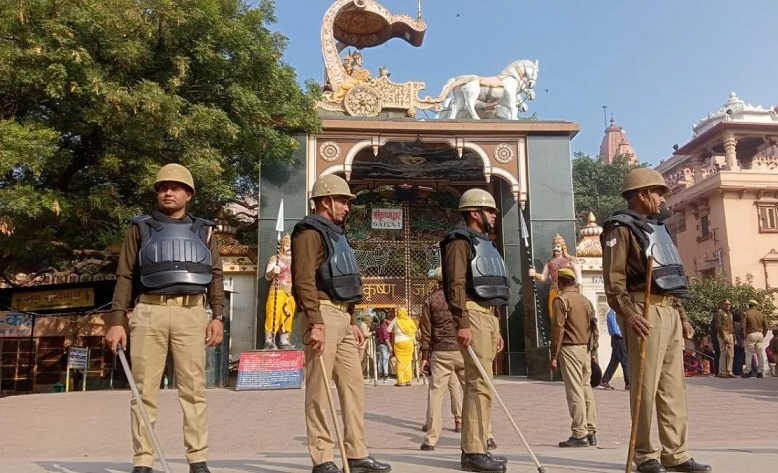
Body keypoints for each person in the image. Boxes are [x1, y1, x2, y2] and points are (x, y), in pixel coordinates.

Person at [104, 163, 225, 473]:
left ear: (189, 194)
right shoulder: (139, 228)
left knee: (194, 391)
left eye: (175, 187)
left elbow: (214, 275)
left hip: (191, 312)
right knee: (143, 390)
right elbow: (125, 276)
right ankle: (143, 461)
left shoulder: (205, 230)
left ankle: (198, 460)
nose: (167, 192)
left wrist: (217, 316)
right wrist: (117, 320)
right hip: (148, 311)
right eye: (162, 187)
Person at [601, 167, 711, 473]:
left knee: (673, 388)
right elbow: (614, 283)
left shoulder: (659, 228)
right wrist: (631, 315)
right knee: (644, 388)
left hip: (669, 310)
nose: (663, 199)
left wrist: (683, 315)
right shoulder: (619, 229)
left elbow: (671, 277)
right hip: (642, 308)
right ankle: (645, 455)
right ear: (641, 194)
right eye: (658, 192)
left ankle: (676, 453)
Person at [291, 174, 390, 473]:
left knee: (353, 387)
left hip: (343, 316)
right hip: (319, 311)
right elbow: (304, 280)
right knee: (319, 390)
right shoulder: (309, 232)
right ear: (326, 201)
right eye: (343, 201)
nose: (347, 207)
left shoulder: (337, 234)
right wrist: (315, 322)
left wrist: (354, 319)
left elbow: (344, 281)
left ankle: (357, 453)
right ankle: (322, 458)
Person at [441, 188, 508, 472]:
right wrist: (462, 322)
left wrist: (497, 327)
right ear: (474, 213)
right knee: (478, 384)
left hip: (488, 317)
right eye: (489, 210)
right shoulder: (460, 240)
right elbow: (454, 284)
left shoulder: (485, 243)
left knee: (485, 386)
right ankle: (472, 450)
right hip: (473, 316)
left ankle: (479, 445)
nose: (494, 215)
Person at [550, 268, 598, 448]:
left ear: (560, 282)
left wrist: (553, 355)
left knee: (575, 390)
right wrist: (593, 351)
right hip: (586, 348)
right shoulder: (585, 301)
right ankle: (591, 430)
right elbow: (594, 327)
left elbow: (558, 329)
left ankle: (579, 433)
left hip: (569, 348)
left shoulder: (561, 300)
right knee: (586, 389)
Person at [419, 267, 465, 451]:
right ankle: (486, 434)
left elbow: (426, 332)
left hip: (441, 353)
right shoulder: (461, 297)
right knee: (472, 391)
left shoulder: (430, 300)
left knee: (435, 395)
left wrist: (424, 356)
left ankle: (431, 439)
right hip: (463, 350)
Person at [528, 234, 583, 316]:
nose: (555, 249)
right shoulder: (550, 262)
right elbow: (543, 277)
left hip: (569, 290)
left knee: (570, 314)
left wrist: (579, 287)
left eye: (558, 246)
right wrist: (534, 274)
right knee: (555, 315)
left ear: (563, 247)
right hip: (554, 291)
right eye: (554, 246)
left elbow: (578, 275)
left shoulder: (571, 260)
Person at [264, 234, 295, 349]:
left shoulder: (296, 260)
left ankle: (284, 340)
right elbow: (267, 276)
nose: (289, 247)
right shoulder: (275, 258)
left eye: (291, 245)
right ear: (282, 246)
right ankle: (269, 340)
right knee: (273, 314)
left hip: (290, 291)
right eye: (287, 245)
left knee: (287, 315)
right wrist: (273, 271)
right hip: (277, 289)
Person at [600, 307, 630, 390]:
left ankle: (604, 380)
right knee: (625, 360)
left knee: (614, 361)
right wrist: (623, 335)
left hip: (618, 339)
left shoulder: (615, 313)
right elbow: (615, 329)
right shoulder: (613, 314)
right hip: (618, 338)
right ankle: (628, 382)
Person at [388, 307, 417, 386]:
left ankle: (400, 381)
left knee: (400, 362)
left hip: (399, 343)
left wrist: (396, 331)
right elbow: (414, 329)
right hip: (408, 343)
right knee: (408, 361)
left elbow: (388, 330)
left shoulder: (395, 320)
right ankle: (408, 381)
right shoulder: (409, 320)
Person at [742, 299, 768, 378]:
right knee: (759, 354)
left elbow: (743, 326)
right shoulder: (762, 314)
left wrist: (744, 335)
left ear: (749, 305)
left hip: (751, 334)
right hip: (760, 334)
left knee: (749, 354)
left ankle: (747, 371)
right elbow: (766, 327)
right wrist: (763, 335)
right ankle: (760, 372)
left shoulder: (746, 313)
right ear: (756, 306)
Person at [714, 299, 735, 378]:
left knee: (731, 353)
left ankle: (729, 371)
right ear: (722, 305)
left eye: (729, 304)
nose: (728, 306)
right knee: (723, 352)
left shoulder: (730, 314)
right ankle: (722, 371)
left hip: (730, 334)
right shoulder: (719, 313)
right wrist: (723, 336)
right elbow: (718, 326)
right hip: (724, 333)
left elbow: (732, 325)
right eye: (726, 304)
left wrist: (733, 336)